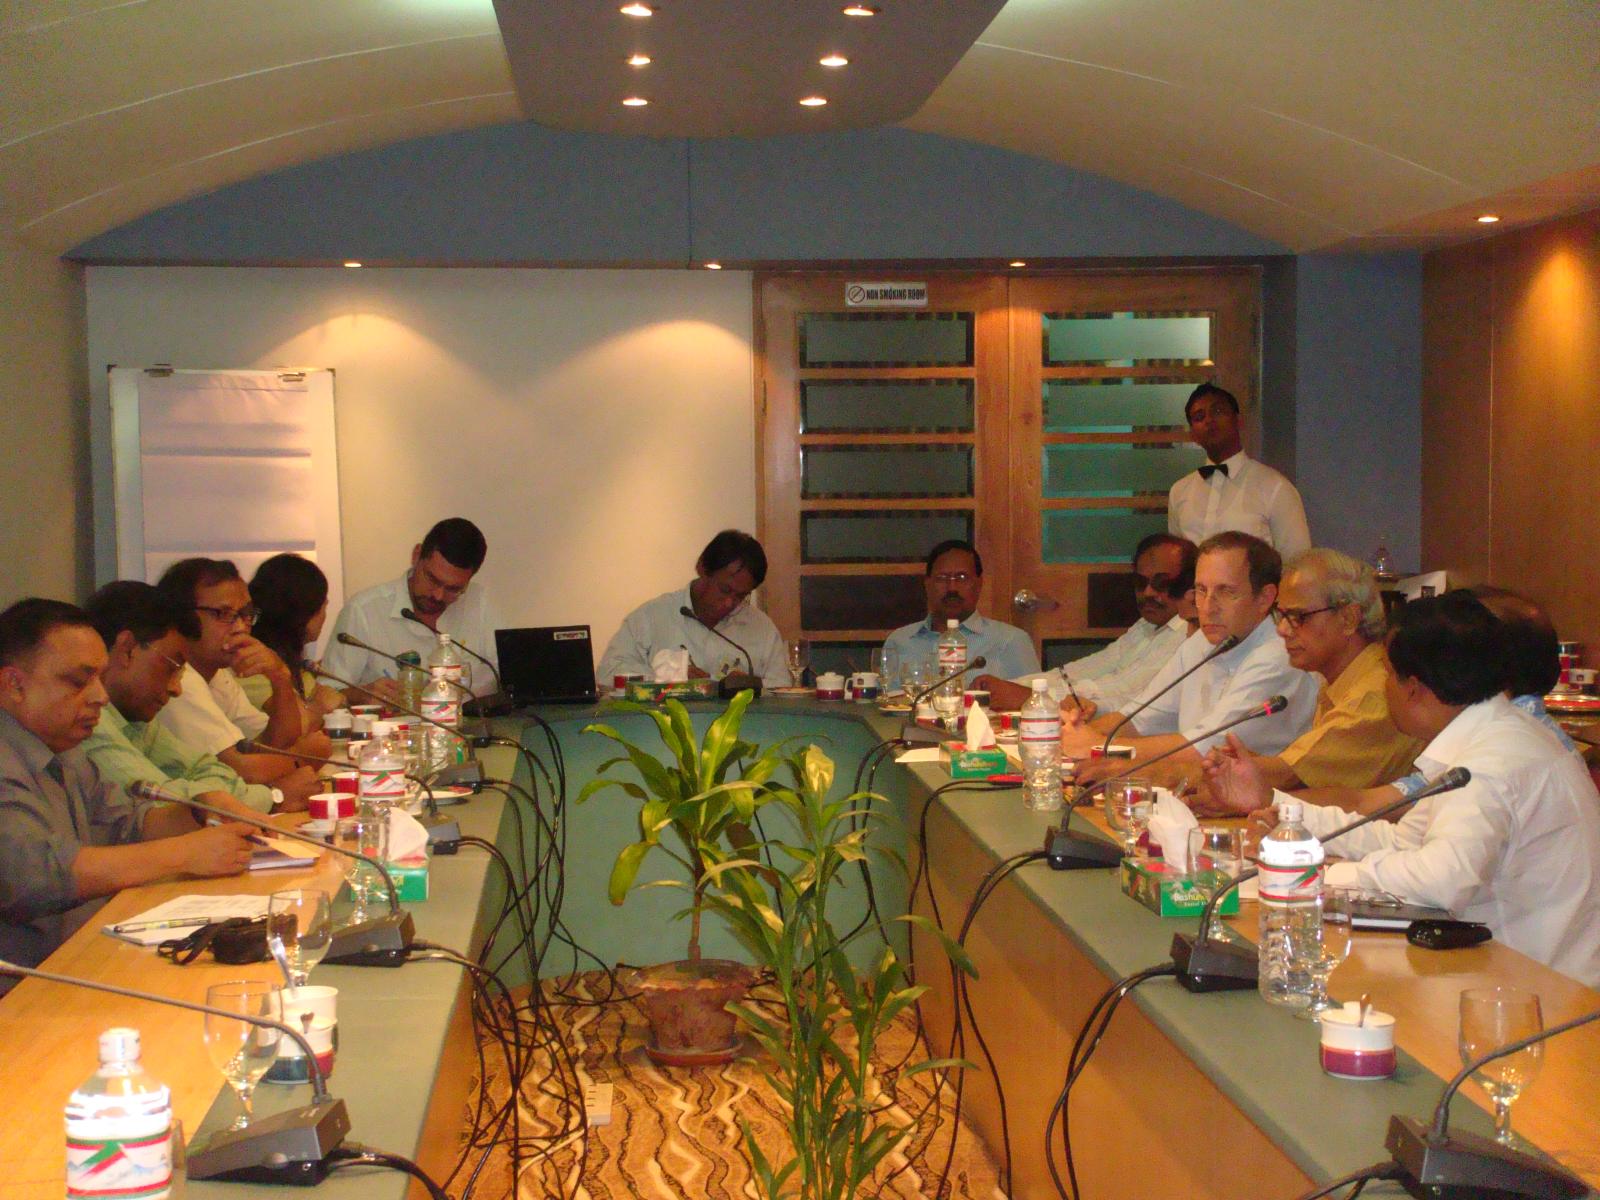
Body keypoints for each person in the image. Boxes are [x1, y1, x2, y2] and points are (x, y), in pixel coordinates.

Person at [1206, 592, 1600, 986]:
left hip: (1546, 993)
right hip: (1508, 972)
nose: (1384, 690)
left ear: (1413, 687)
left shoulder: (1492, 761)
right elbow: (1401, 841)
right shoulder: (1492, 735)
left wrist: (1326, 877)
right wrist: (1279, 807)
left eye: (1387, 675)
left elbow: (1442, 879)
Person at [0, 599, 256, 989]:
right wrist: (185, 854)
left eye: (100, 678)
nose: (100, 696)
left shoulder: (64, 751)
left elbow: (126, 822)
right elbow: (38, 877)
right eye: (77, 681)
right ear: (14, 684)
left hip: (84, 964)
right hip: (23, 994)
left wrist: (200, 811)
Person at [1061, 531, 1319, 786]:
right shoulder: (1202, 642)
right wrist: (1072, 735)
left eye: (1226, 592)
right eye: (1201, 590)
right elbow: (1138, 720)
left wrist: (1097, 745)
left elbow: (1205, 749)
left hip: (1254, 809)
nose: (1208, 606)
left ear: (1264, 598)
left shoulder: (1280, 655)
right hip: (1193, 791)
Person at [1199, 549, 1422, 806]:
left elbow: (1288, 775)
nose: (1282, 630)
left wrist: (1195, 775)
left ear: (1348, 618)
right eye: (1281, 616)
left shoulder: (1373, 694)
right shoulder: (1339, 679)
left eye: (1297, 617)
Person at [80, 581, 312, 814]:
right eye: (172, 667)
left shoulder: (135, 717)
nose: (176, 689)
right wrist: (273, 796)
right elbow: (164, 803)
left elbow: (210, 770)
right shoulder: (90, 723)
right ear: (128, 648)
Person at [154, 558, 330, 789]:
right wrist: (300, 757)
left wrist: (279, 677)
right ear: (182, 618)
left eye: (245, 614)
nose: (241, 627)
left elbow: (274, 744)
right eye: (223, 614)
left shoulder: (217, 674)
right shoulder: (178, 680)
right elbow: (241, 771)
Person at [979, 534, 1194, 714]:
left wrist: (1032, 697)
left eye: (1161, 583)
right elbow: (1080, 671)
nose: (1148, 592)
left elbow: (1124, 691)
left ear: (1188, 584)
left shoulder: (1189, 635)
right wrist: (1014, 687)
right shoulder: (1145, 626)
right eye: (1140, 582)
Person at [320, 517, 501, 700]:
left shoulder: (478, 602)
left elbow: (504, 673)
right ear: (416, 555)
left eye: (453, 589)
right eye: (432, 579)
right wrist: (360, 694)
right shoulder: (364, 610)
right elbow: (327, 694)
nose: (438, 595)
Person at [596, 530, 789, 689]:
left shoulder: (761, 628)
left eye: (741, 596)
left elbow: (782, 688)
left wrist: (749, 685)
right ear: (702, 568)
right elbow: (608, 674)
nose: (730, 603)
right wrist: (666, 677)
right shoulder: (652, 617)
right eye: (725, 590)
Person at [1167, 383, 1310, 559]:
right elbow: (1177, 564)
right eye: (1199, 417)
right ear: (1193, 435)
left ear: (1238, 421)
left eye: (1218, 411)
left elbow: (1297, 563)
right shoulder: (1179, 492)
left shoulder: (1275, 487)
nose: (1209, 420)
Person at [885, 540, 1039, 689]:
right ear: (927, 584)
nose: (952, 587)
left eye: (962, 578)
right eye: (942, 578)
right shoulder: (899, 641)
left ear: (979, 585)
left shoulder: (1011, 641)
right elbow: (885, 704)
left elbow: (1034, 702)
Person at [248, 553, 344, 728]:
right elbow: (296, 726)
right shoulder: (252, 663)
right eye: (324, 606)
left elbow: (328, 697)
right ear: (305, 613)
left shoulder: (292, 660)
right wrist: (318, 707)